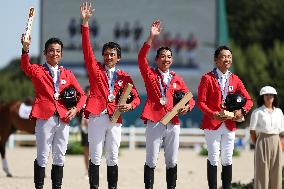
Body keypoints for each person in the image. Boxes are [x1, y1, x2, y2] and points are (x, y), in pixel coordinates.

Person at [80, 2, 141, 189]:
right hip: (97, 116)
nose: (108, 57)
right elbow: (86, 48)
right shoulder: (95, 68)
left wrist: (129, 106)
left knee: (113, 156)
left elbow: (136, 98)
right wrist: (85, 23)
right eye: (105, 54)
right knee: (95, 156)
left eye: (112, 54)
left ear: (118, 57)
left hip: (115, 118)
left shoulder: (125, 77)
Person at [21, 35, 87, 189]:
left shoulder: (67, 74)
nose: (55, 53)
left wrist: (76, 108)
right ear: (45, 53)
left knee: (60, 157)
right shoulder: (38, 70)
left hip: (64, 118)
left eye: (58, 51)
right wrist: (25, 49)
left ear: (61, 54)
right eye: (51, 50)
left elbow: (82, 95)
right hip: (45, 117)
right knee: (42, 156)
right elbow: (25, 66)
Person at [138, 20, 195, 189]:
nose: (166, 59)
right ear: (156, 59)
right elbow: (141, 59)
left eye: (169, 57)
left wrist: (188, 107)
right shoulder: (150, 75)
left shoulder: (177, 78)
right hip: (154, 120)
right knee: (151, 159)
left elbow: (190, 98)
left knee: (172, 160)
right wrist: (151, 37)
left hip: (173, 122)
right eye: (162, 56)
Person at [197, 45, 253, 189]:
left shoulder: (235, 79)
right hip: (212, 124)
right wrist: (213, 114)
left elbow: (249, 100)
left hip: (229, 124)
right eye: (223, 56)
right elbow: (201, 103)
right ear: (216, 60)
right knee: (213, 157)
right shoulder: (207, 78)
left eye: (229, 57)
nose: (227, 59)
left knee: (227, 158)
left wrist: (242, 111)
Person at [249, 86, 284, 189]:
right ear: (262, 97)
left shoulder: (279, 112)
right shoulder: (257, 112)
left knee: (276, 170)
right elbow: (252, 131)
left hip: (276, 141)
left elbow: (282, 131)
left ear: (274, 97)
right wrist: (257, 144)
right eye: (266, 95)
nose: (269, 97)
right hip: (262, 141)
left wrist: (280, 145)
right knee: (262, 172)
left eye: (271, 95)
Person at [80, 86, 90, 178]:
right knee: (86, 151)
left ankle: (94, 170)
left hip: (95, 129)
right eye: (87, 92)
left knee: (96, 151)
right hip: (85, 130)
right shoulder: (82, 103)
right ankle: (87, 170)